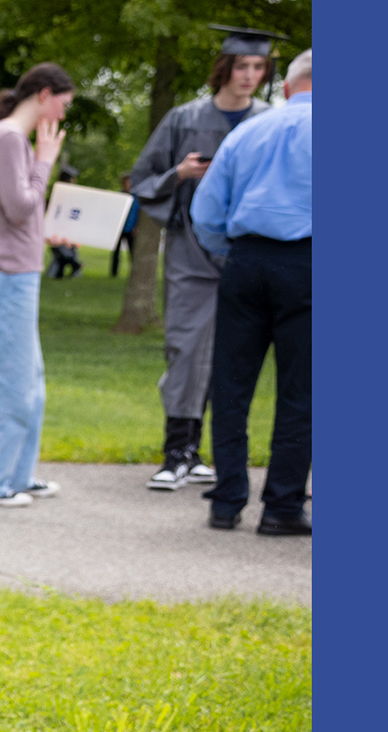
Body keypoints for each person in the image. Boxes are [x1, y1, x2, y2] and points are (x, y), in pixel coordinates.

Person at [125, 25, 287, 491]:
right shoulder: (184, 118)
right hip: (191, 253)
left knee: (233, 353)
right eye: (242, 66)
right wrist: (181, 172)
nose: (250, 75)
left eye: (259, 68)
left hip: (249, 254)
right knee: (186, 345)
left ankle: (210, 455)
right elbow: (141, 178)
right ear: (224, 67)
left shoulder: (270, 120)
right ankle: (178, 450)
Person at [193, 48, 310, 536]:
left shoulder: (247, 131)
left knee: (232, 384)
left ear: (284, 88)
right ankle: (281, 507)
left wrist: (234, 250)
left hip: (245, 260)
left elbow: (205, 212)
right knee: (301, 394)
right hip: (310, 263)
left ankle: (226, 501)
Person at [0, 63, 75, 508]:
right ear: (44, 95)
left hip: (13, 274)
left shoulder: (9, 140)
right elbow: (19, 207)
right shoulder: (8, 138)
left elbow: (20, 217)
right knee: (5, 384)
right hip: (4, 277)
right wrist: (45, 162)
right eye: (63, 105)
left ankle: (17, 475)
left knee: (29, 382)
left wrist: (49, 230)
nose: (62, 117)